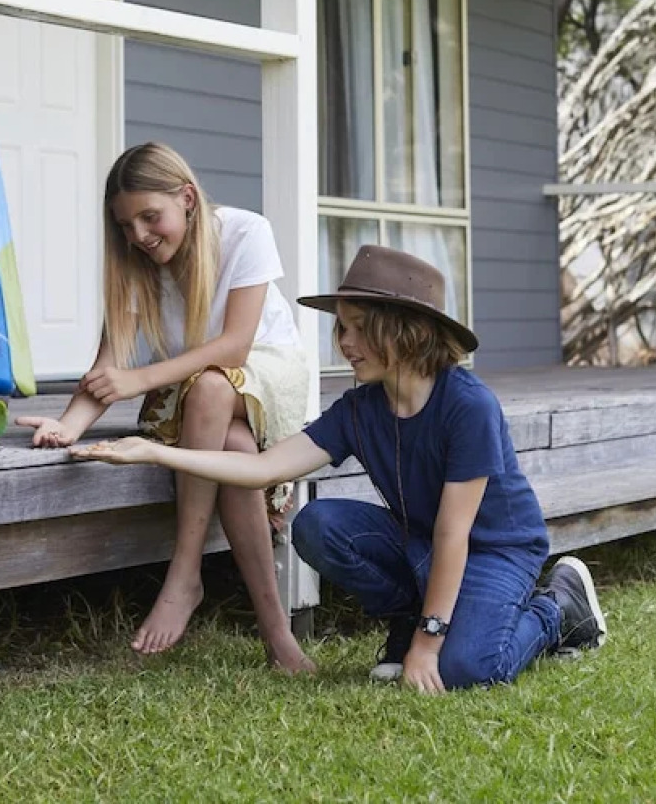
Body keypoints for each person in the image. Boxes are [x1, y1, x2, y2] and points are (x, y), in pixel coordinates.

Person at [71, 244, 607, 693]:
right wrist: (156, 452)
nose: (345, 343)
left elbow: (453, 533)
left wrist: (429, 644)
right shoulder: (360, 408)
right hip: (421, 540)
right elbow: (265, 468)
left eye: (359, 329)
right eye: (341, 328)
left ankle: (558, 607)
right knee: (317, 524)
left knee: (468, 669)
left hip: (495, 548)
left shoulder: (468, 406)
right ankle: (409, 621)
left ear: (407, 331)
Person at [16, 142, 315, 674]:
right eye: (125, 225)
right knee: (233, 445)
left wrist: (140, 380)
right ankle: (278, 637)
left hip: (265, 373)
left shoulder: (245, 232)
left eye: (150, 217)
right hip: (197, 397)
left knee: (212, 388)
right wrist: (67, 426)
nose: (139, 235)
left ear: (188, 198)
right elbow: (108, 369)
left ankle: (184, 571)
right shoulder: (138, 265)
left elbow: (235, 348)